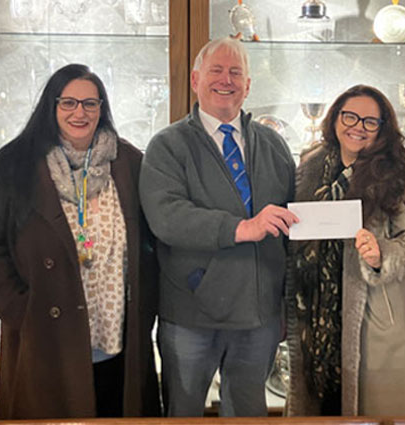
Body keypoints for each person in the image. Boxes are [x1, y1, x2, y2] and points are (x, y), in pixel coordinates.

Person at [0, 64, 160, 419]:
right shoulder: (14, 166)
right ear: (50, 107)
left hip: (119, 343)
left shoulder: (130, 163)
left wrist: (145, 309)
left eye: (90, 103)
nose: (79, 112)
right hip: (46, 343)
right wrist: (26, 313)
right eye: (68, 102)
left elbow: (153, 244)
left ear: (102, 108)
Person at [139, 37, 297, 417]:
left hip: (259, 316)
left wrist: (285, 305)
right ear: (195, 80)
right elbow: (167, 217)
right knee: (184, 412)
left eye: (236, 72)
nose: (226, 80)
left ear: (248, 85)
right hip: (191, 314)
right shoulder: (167, 146)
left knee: (247, 412)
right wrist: (242, 228)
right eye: (216, 71)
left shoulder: (274, 145)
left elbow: (293, 224)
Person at [284, 85, 405, 416]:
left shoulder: (397, 174)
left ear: (383, 129)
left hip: (375, 320)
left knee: (369, 414)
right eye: (350, 116)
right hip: (317, 321)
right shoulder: (310, 167)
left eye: (371, 121)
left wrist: (381, 253)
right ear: (336, 117)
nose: (358, 126)